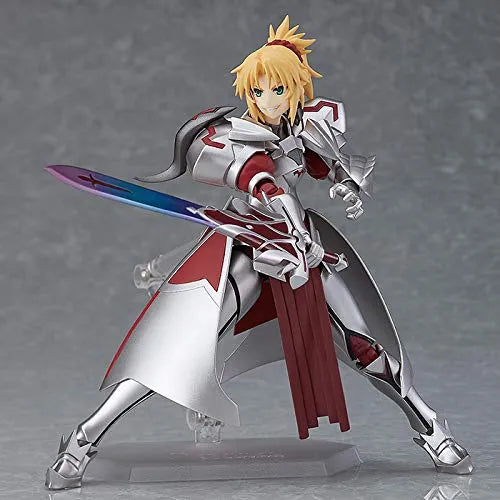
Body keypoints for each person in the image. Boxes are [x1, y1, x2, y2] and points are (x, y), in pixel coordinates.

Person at [45, 15, 472, 490]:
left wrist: (346, 185)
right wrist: (286, 215)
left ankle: (431, 428)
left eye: (278, 90)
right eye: (258, 90)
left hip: (302, 249)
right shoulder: (235, 137)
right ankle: (83, 440)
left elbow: (330, 166)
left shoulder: (309, 126)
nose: (267, 100)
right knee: (179, 343)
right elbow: (261, 182)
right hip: (248, 246)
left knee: (365, 345)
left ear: (297, 89)